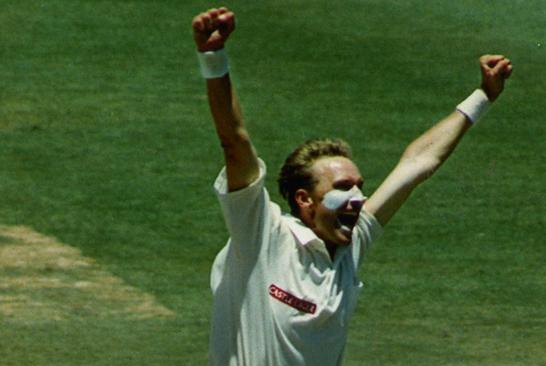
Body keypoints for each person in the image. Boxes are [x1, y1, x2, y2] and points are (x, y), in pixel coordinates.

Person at [192, 7, 513, 366]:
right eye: (344, 187)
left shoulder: (351, 243)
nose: (359, 199)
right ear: (304, 199)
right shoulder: (262, 237)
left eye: (360, 187)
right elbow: (234, 141)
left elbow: (417, 164)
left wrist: (482, 97)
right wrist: (213, 56)